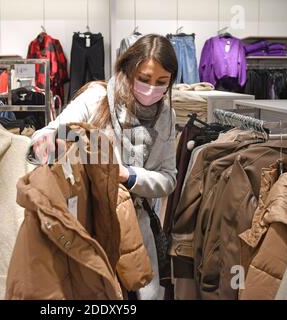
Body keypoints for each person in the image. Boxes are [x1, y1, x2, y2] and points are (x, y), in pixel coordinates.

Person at [30, 34, 178, 300]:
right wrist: (47, 140)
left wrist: (128, 176)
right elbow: (56, 131)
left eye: (161, 82)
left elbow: (168, 179)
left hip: (136, 230)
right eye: (144, 79)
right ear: (128, 69)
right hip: (91, 226)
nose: (151, 88)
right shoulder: (98, 97)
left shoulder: (166, 115)